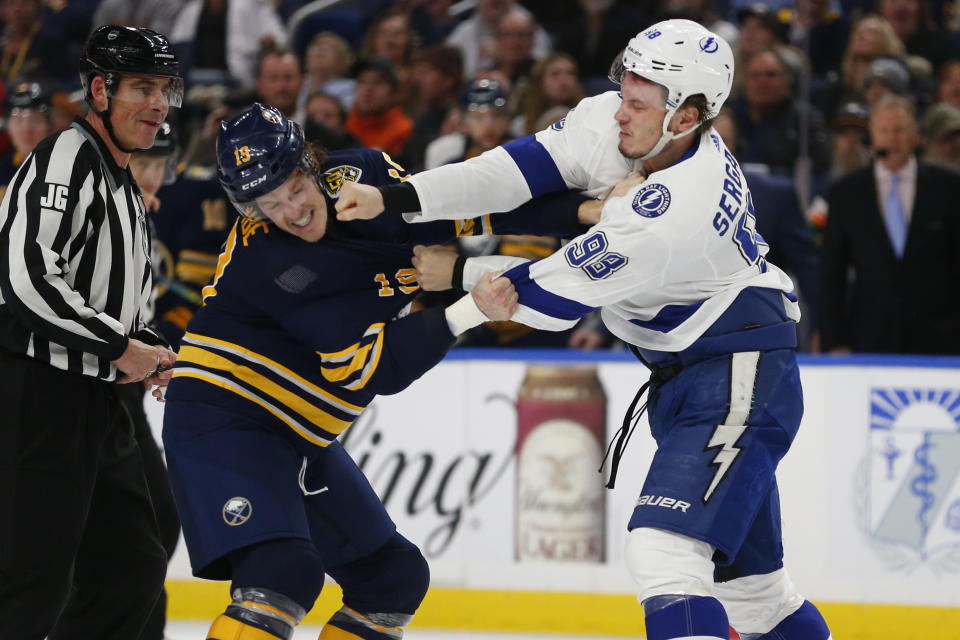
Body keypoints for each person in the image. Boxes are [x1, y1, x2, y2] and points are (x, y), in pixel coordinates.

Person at [336, 19, 833, 640]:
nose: (620, 110)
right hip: (700, 370)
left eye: (639, 101)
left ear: (685, 118)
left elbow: (550, 298)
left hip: (737, 376)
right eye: (624, 88)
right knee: (758, 599)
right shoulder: (621, 123)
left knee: (664, 554)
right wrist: (401, 195)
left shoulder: (676, 209)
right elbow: (508, 172)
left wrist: (456, 272)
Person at [161, 102, 594, 640]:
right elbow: (371, 371)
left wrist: (588, 213)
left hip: (299, 432)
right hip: (227, 417)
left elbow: (469, 209)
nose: (291, 213)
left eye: (294, 189)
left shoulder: (362, 175)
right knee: (282, 574)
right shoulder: (274, 265)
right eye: (269, 205)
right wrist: (467, 306)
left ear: (310, 164)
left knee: (391, 581)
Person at [0, 25, 181, 639]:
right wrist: (120, 347)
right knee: (30, 582)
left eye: (164, 89)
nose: (158, 103)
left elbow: (121, 302)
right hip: (40, 397)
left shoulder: (123, 181)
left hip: (100, 401)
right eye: (141, 87)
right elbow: (26, 281)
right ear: (100, 90)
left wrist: (147, 349)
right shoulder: (64, 160)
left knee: (131, 567)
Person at [821, 94, 960, 354]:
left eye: (899, 130)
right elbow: (832, 274)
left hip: (941, 339)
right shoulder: (846, 193)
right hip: (869, 338)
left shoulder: (949, 188)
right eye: (884, 130)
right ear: (872, 136)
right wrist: (833, 340)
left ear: (916, 135)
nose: (891, 139)